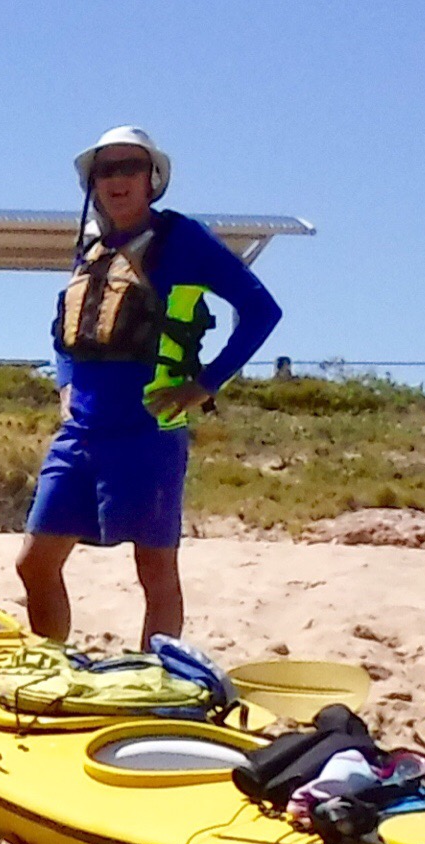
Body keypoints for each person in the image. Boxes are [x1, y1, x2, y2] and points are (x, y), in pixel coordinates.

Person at [18, 126, 282, 645]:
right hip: (80, 433)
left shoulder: (184, 239)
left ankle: (155, 673)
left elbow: (261, 311)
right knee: (34, 562)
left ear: (152, 178)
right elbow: (66, 331)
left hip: (149, 433)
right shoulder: (91, 247)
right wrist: (65, 385)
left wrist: (205, 385)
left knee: (155, 569)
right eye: (105, 170)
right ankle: (54, 664)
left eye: (129, 168)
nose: (116, 180)